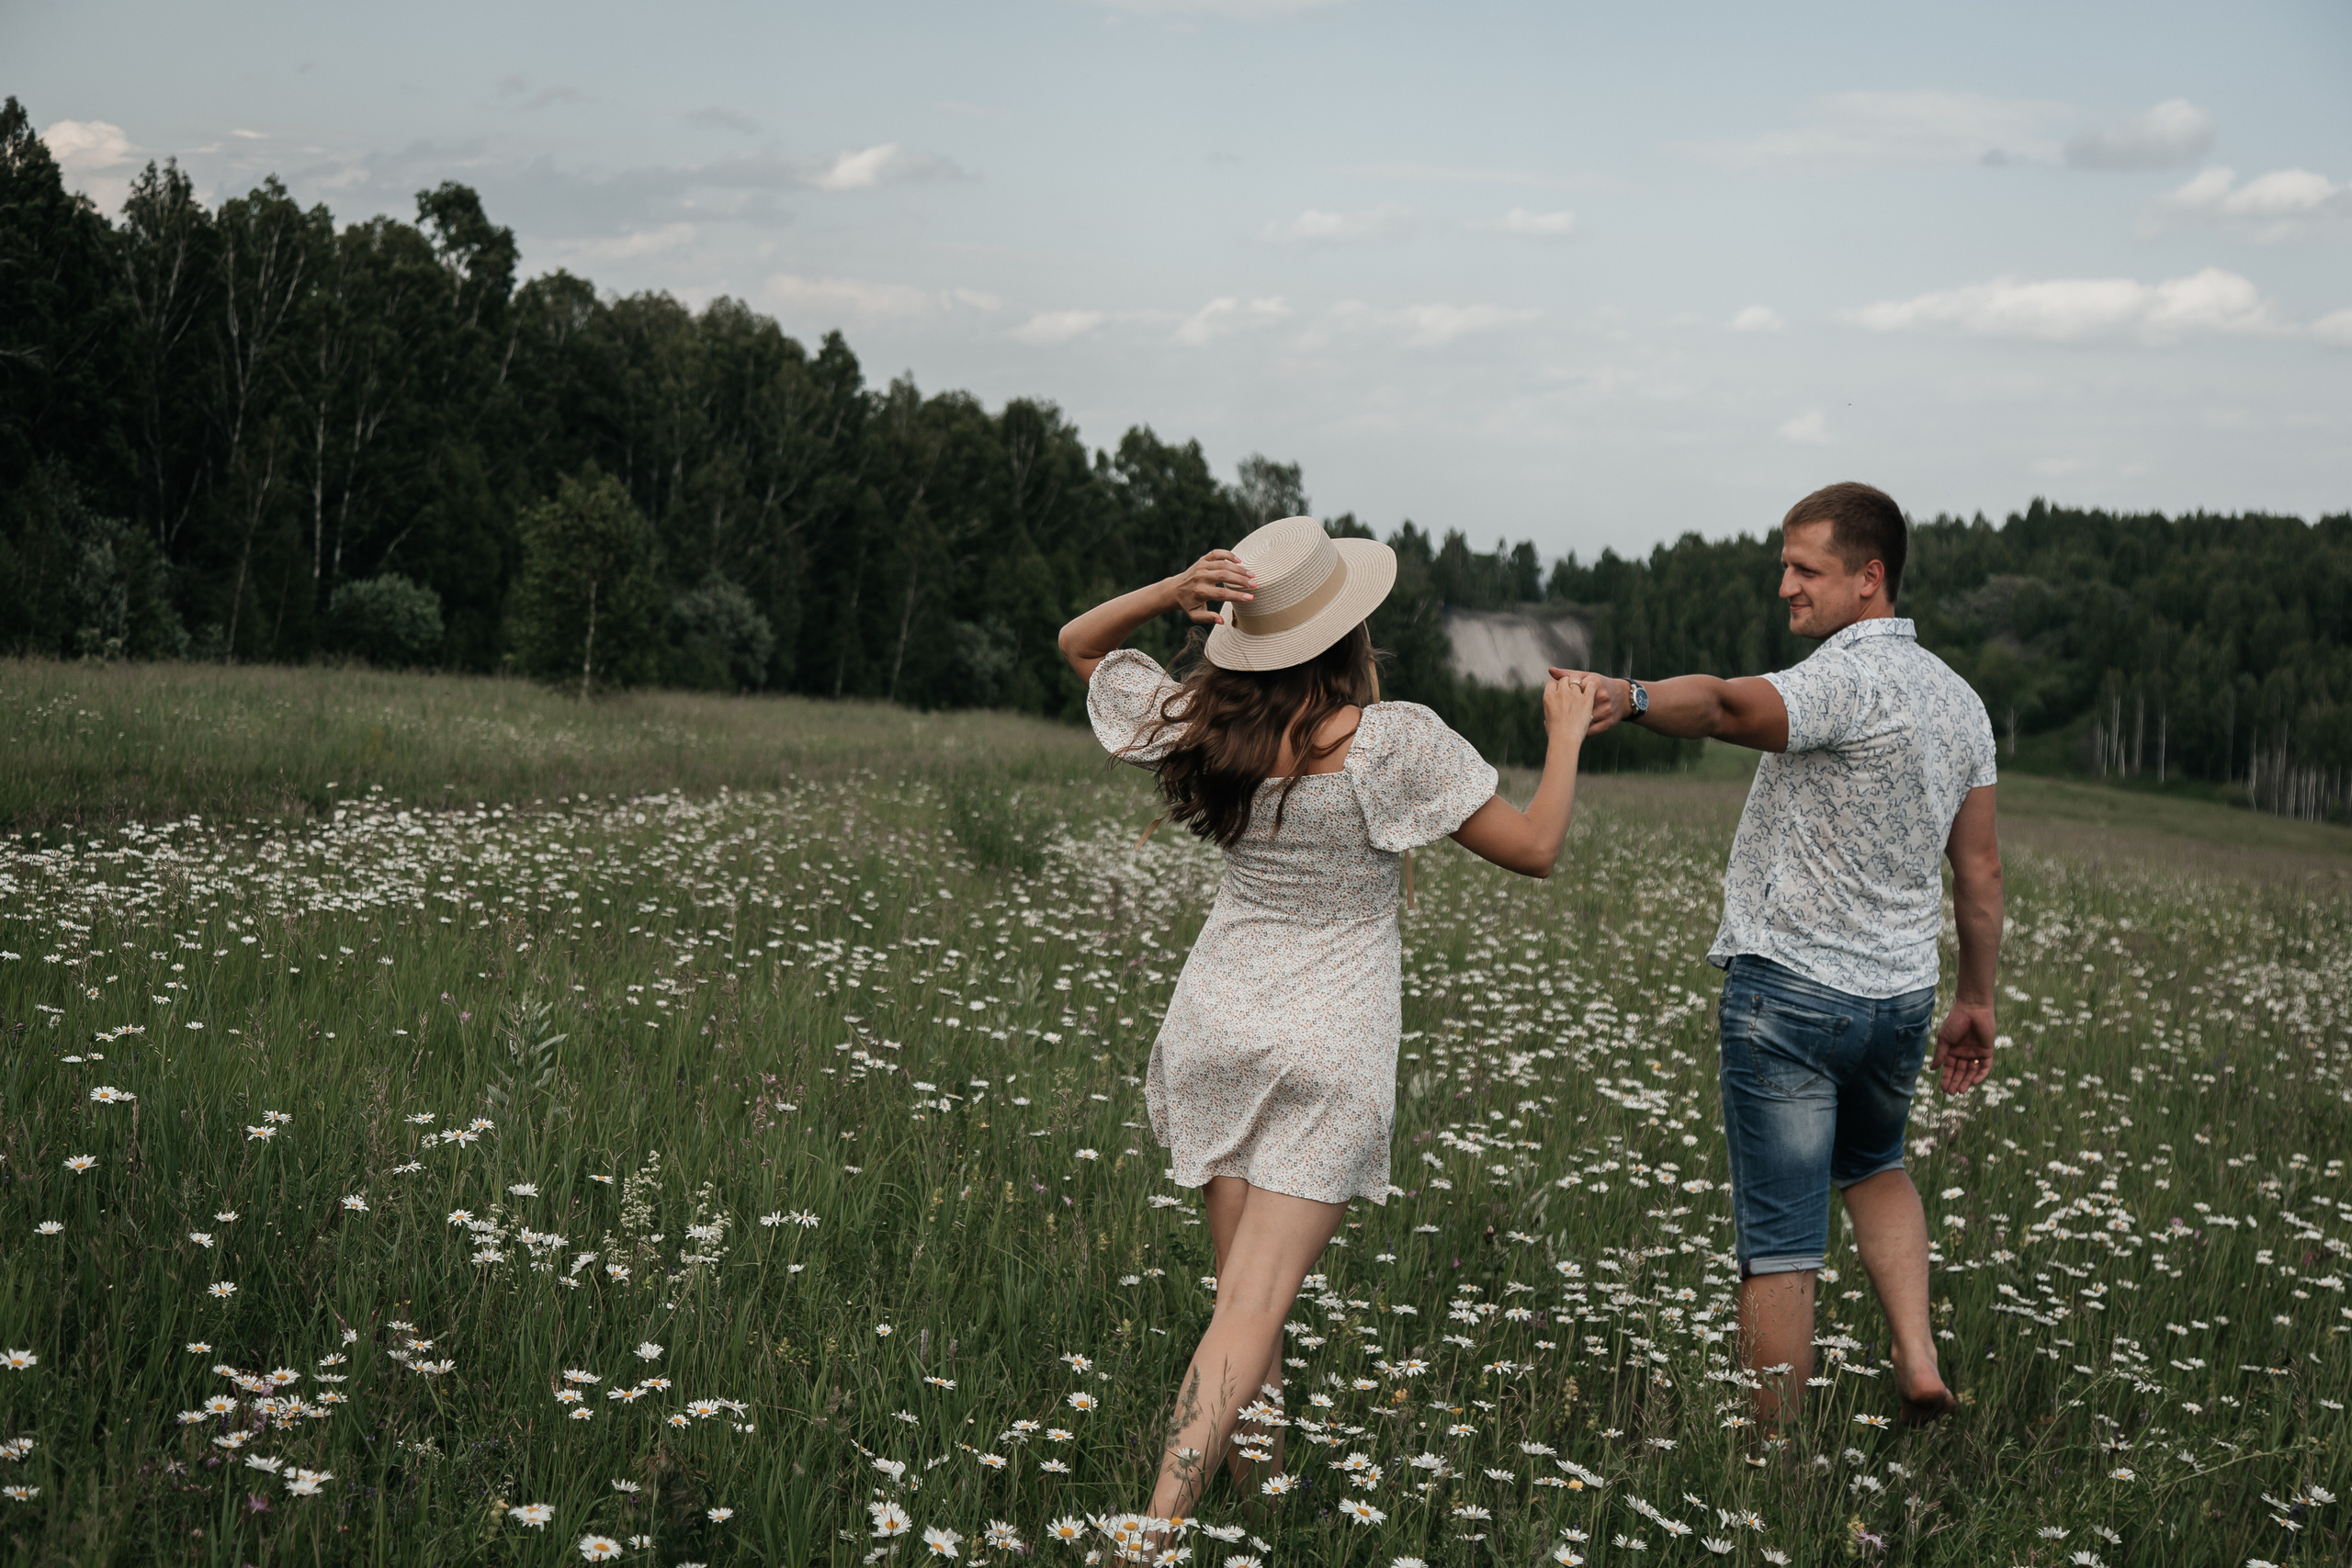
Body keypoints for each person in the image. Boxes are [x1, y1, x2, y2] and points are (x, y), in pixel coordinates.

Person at [1058, 514, 1596, 1533]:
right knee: (1251, 1305)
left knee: (1242, 1299)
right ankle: (1153, 1535)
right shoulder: (1388, 742)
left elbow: (1081, 647)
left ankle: (1260, 1515)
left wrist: (1172, 589)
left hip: (1219, 1021)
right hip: (1329, 1039)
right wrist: (1563, 737)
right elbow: (1533, 848)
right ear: (1349, 630)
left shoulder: (1207, 724)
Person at [1563, 480, 2003, 1427]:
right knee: (1877, 1163)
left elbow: (1725, 708)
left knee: (1781, 1242)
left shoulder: (1843, 680)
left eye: (1806, 569)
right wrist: (1976, 997)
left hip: (1792, 999)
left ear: (1869, 577)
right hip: (1900, 1000)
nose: (1785, 587)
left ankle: (1775, 1468)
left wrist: (1630, 696)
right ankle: (1916, 1353)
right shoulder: (1962, 702)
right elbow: (1979, 872)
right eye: (1783, 566)